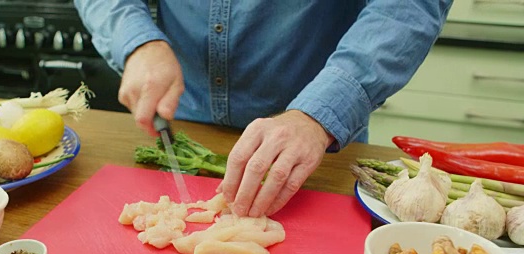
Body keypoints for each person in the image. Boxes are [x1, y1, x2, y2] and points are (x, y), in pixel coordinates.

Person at [74, 0, 452, 217]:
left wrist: (318, 114)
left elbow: (405, 8)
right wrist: (136, 40)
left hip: (318, 145)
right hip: (181, 120)